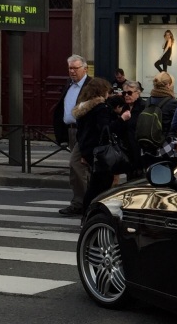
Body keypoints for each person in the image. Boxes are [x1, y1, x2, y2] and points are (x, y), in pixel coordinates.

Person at [74, 77, 128, 217]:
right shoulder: (101, 108)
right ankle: (91, 215)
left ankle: (88, 214)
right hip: (100, 152)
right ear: (102, 91)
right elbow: (106, 129)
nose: (108, 94)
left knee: (95, 183)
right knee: (101, 185)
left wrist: (84, 153)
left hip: (88, 150)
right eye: (107, 91)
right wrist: (122, 119)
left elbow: (79, 133)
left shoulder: (84, 107)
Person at [54, 55, 90, 217]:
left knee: (77, 165)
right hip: (71, 130)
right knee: (77, 169)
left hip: (84, 131)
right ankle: (79, 202)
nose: (72, 71)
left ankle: (86, 203)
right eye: (70, 68)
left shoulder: (90, 86)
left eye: (76, 68)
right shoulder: (69, 84)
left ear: (85, 69)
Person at [133, 73, 177, 169]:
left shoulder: (149, 100)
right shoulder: (173, 103)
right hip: (165, 145)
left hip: (148, 145)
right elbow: (176, 125)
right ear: (168, 85)